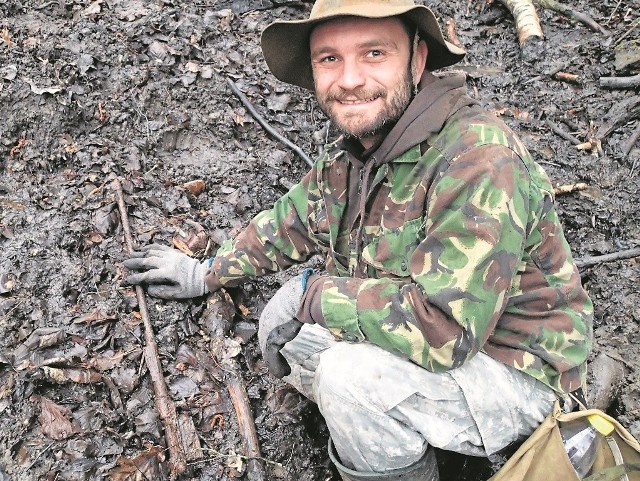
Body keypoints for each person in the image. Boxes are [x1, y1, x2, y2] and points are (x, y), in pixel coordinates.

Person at [124, 1, 594, 479]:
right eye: (330, 58)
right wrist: (205, 274)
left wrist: (312, 296)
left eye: (373, 53)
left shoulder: (479, 160)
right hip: (434, 343)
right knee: (298, 345)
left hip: (517, 372)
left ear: (418, 58)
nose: (348, 79)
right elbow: (291, 223)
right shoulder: (358, 152)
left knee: (348, 379)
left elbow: (446, 331)